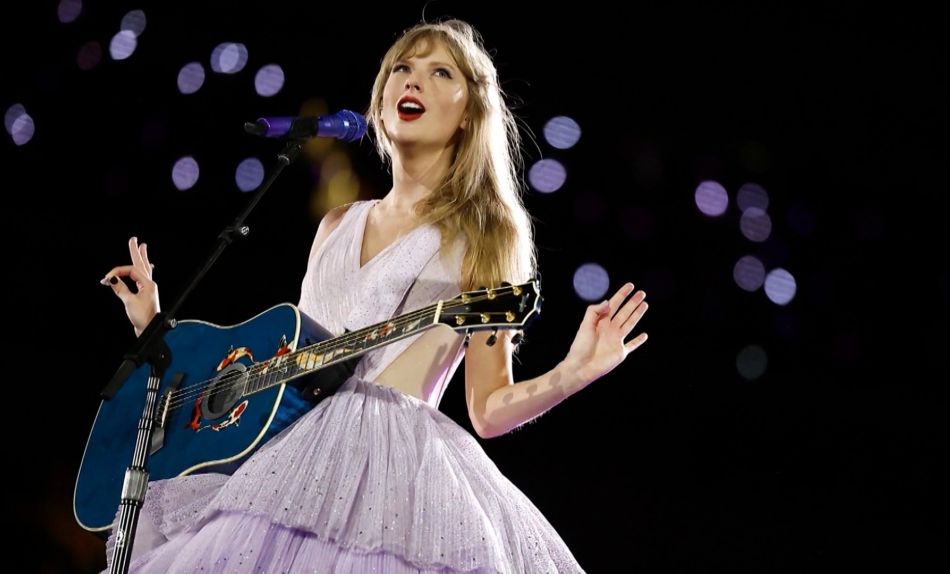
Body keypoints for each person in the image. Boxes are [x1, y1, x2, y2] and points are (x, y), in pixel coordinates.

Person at [99, 18, 649, 573]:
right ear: (381, 97)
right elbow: (286, 363)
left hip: (392, 475)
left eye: (440, 72)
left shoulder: (486, 234)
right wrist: (156, 328)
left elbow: (486, 410)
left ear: (469, 112)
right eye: (402, 69)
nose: (413, 82)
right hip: (286, 461)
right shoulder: (335, 224)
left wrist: (575, 371)